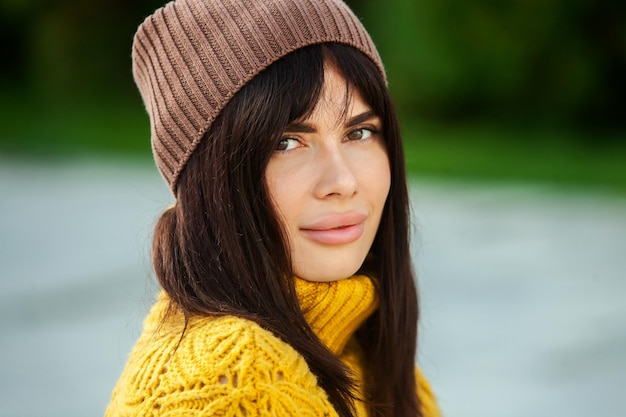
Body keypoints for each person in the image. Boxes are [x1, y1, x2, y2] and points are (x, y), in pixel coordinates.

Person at [105, 0, 441, 416]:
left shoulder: (367, 361)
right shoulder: (233, 384)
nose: (342, 182)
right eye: (286, 142)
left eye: (360, 132)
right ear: (212, 179)